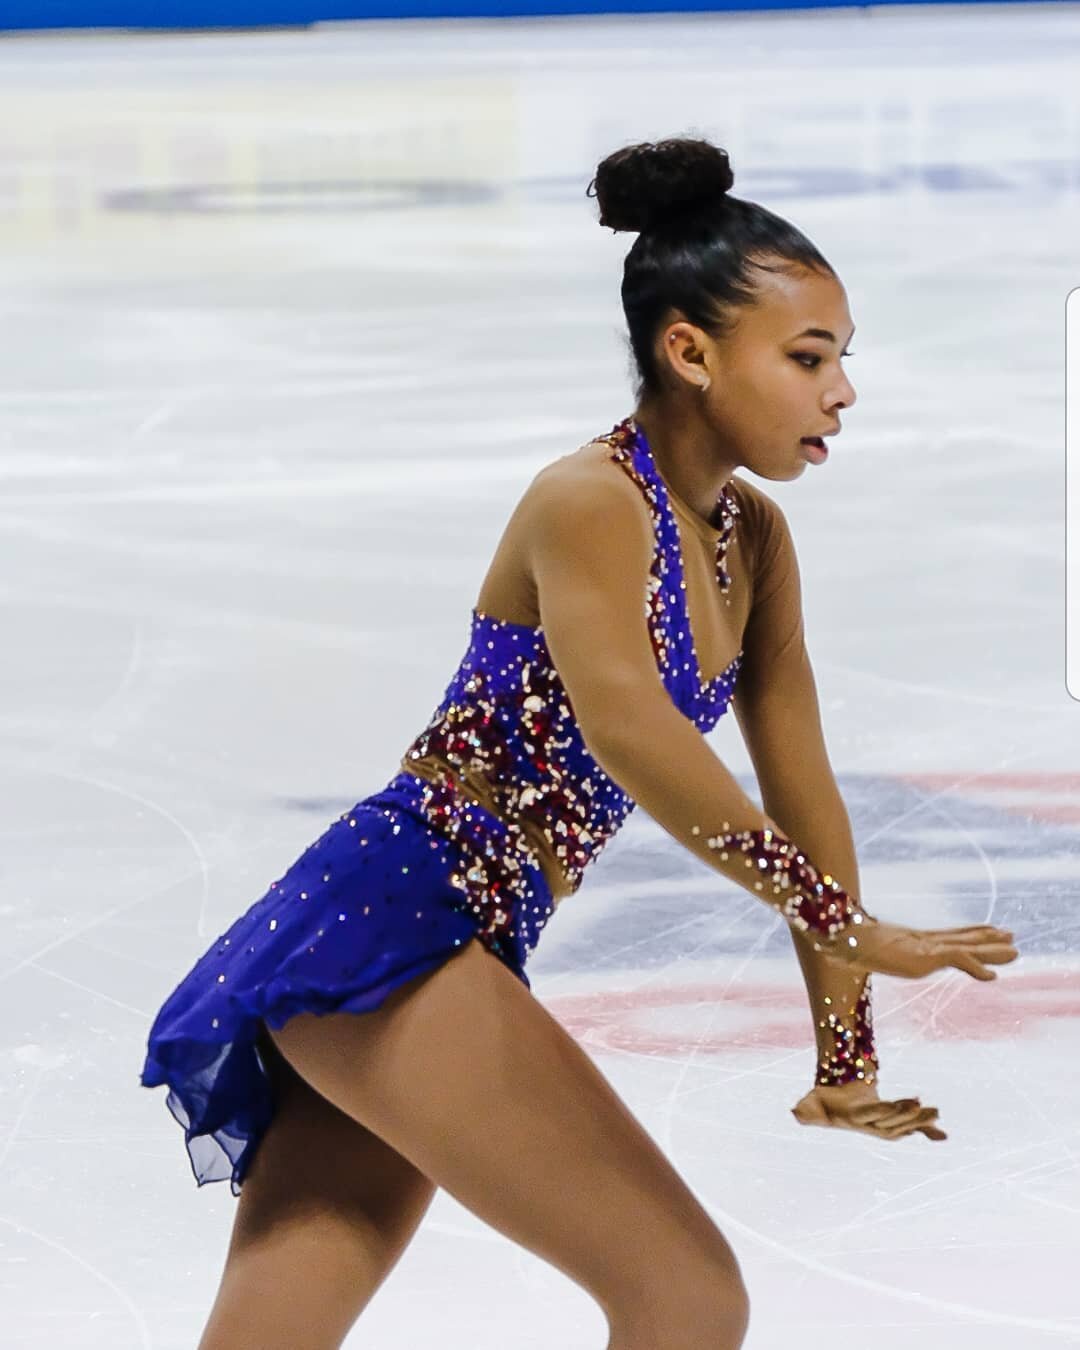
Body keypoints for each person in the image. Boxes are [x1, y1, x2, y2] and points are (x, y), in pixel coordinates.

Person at [140, 136, 1018, 1350]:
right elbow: (635, 731)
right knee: (685, 1296)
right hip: (397, 924)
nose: (842, 390)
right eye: (808, 358)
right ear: (691, 351)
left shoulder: (751, 543)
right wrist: (838, 918)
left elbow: (804, 790)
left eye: (842, 359)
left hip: (451, 937)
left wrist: (846, 1048)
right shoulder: (590, 502)